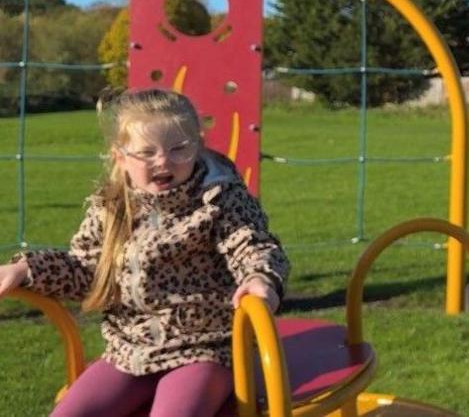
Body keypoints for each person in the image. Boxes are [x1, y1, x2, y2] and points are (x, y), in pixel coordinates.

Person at [0, 89, 290, 417]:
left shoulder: (219, 201)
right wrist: (27, 270)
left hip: (204, 347)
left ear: (198, 144)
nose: (164, 161)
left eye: (179, 149)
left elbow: (251, 244)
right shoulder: (112, 208)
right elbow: (88, 269)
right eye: (146, 152)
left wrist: (260, 277)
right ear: (121, 156)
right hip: (130, 350)